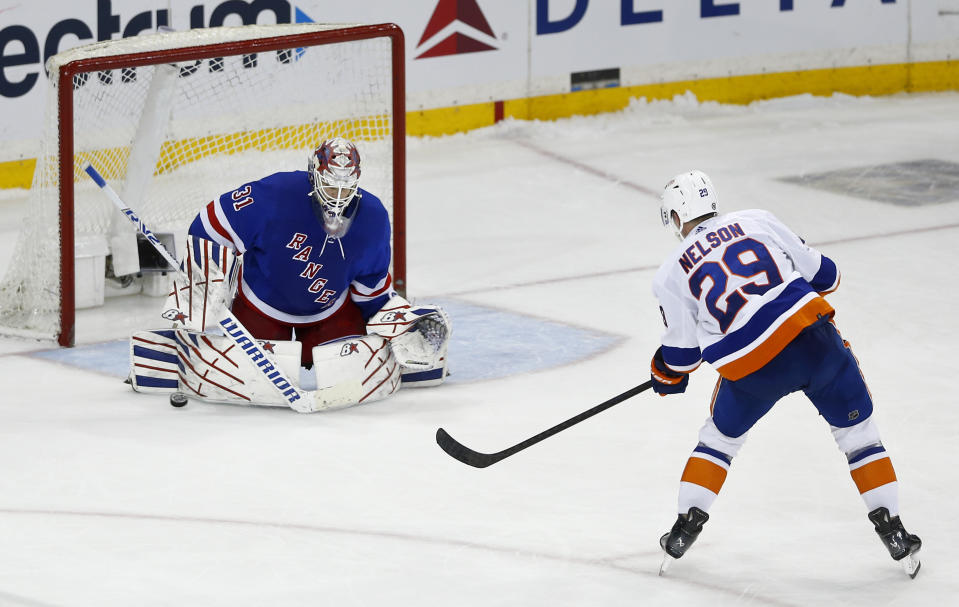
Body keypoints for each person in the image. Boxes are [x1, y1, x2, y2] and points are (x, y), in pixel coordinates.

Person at [649, 170, 921, 577]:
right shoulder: (756, 218)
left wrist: (664, 373)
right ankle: (893, 530)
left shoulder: (670, 272)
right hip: (813, 343)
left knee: (719, 441)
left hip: (752, 369)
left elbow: (681, 358)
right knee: (859, 434)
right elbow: (827, 277)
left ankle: (684, 527)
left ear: (674, 216)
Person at [187, 137, 398, 368]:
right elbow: (212, 225)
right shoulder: (276, 194)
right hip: (260, 306)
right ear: (314, 174)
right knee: (248, 372)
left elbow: (372, 289)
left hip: (330, 313)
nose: (337, 196)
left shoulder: (373, 217)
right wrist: (206, 283)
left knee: (350, 369)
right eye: (329, 184)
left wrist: (393, 327)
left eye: (346, 187)